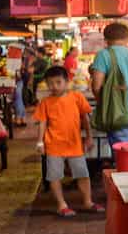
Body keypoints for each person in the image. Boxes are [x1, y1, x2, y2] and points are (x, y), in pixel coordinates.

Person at [33, 67, 100, 217]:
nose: (54, 87)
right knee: (55, 176)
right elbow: (42, 123)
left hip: (74, 144)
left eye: (58, 82)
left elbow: (85, 118)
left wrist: (89, 137)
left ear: (67, 82)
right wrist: (39, 142)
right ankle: (61, 204)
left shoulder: (77, 97)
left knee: (82, 173)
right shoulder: (45, 102)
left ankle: (88, 201)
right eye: (50, 83)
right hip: (53, 145)